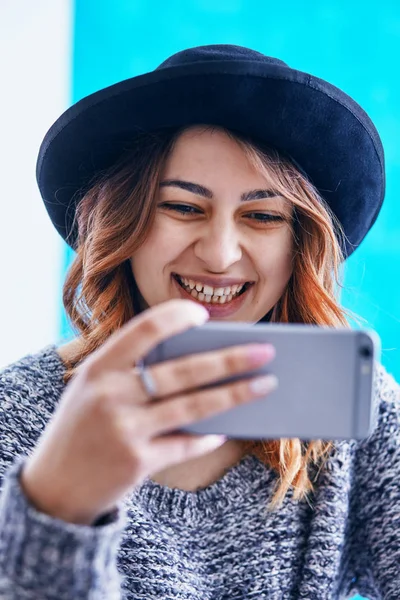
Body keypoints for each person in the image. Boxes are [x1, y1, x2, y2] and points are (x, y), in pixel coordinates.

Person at [0, 44, 398, 600]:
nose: (219, 254)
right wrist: (57, 509)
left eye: (262, 216)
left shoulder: (355, 408)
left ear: (298, 245)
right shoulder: (14, 419)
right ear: (125, 223)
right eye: (184, 207)